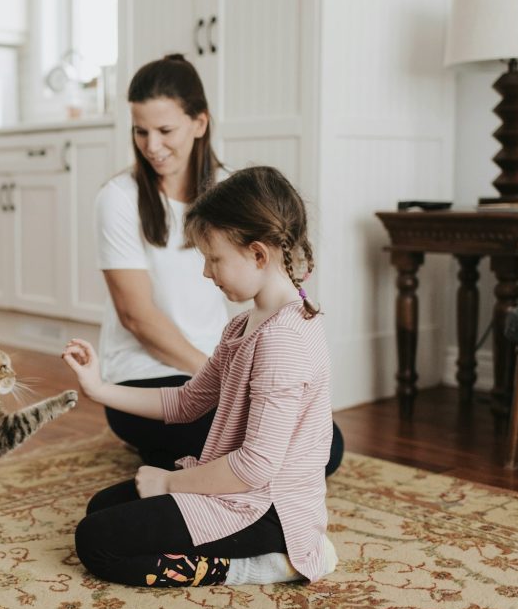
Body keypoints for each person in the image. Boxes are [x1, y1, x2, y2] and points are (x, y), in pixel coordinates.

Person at [62, 166, 339, 588]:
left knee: (96, 542)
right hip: (243, 492)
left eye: (214, 259)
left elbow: (255, 467)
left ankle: (260, 566)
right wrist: (98, 387)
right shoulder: (243, 326)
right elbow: (186, 402)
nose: (207, 273)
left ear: (258, 255)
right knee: (101, 508)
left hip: (268, 511)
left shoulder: (283, 341)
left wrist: (171, 483)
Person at [95, 54, 343, 474]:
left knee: (328, 443)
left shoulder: (231, 191)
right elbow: (136, 317)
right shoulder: (119, 198)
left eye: (165, 130)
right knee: (251, 439)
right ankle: (193, 463)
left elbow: (272, 276)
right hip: (147, 377)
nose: (152, 146)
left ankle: (192, 461)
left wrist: (242, 376)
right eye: (141, 132)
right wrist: (221, 381)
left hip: (217, 369)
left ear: (200, 123)